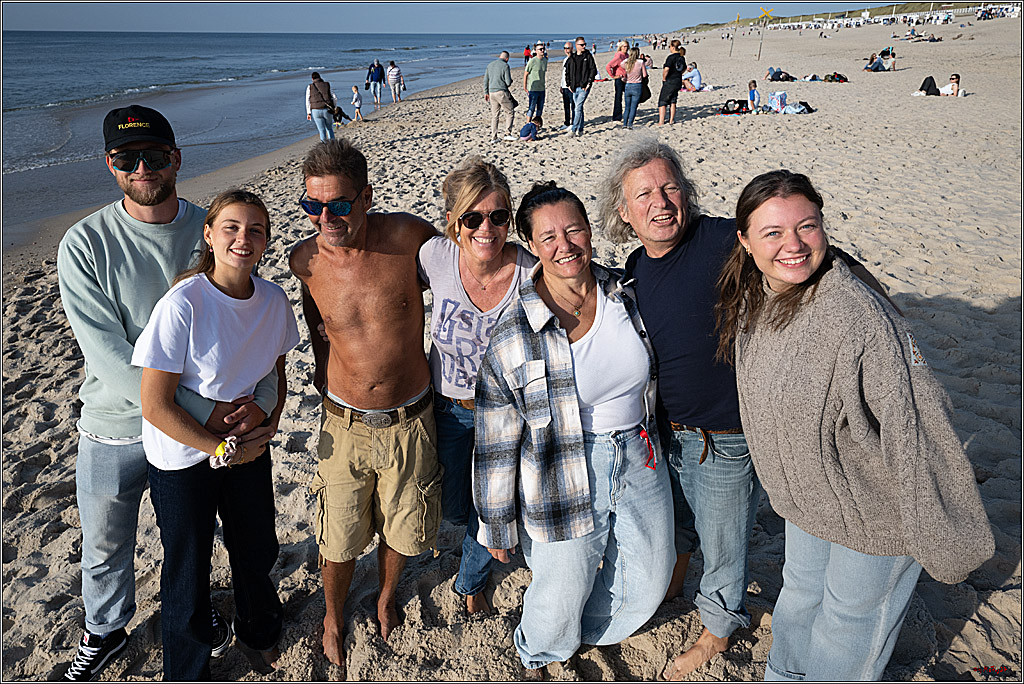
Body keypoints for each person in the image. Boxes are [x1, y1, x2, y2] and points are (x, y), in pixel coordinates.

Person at [716, 170, 995, 681]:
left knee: (847, 626)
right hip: (808, 502)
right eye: (773, 232)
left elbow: (919, 426)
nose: (794, 245)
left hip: (874, 511)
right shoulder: (755, 296)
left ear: (824, 225)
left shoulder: (857, 317)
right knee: (799, 598)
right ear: (745, 240)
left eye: (807, 226)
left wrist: (943, 530)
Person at [57, 105, 277, 681]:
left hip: (206, 433)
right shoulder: (85, 244)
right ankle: (105, 630)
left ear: (176, 159)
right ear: (110, 166)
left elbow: (249, 325)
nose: (142, 167)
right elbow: (105, 351)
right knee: (106, 542)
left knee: (211, 543)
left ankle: (226, 620)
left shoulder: (217, 228)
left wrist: (251, 415)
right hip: (119, 421)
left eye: (154, 156)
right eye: (127, 158)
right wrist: (193, 416)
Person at [475, 181, 673, 681]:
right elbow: (496, 440)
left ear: (589, 231)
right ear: (532, 247)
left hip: (638, 452)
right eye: (548, 237)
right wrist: (495, 524)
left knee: (649, 579)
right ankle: (537, 651)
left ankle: (583, 635)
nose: (565, 246)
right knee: (561, 589)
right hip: (561, 467)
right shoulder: (514, 334)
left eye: (574, 230)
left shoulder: (624, 294)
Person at [599, 140, 761, 680]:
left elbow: (791, 253)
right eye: (643, 194)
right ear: (624, 212)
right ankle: (675, 582)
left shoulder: (719, 239)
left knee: (724, 540)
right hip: (663, 431)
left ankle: (718, 629)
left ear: (686, 193)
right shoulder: (634, 269)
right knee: (680, 523)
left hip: (724, 432)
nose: (660, 202)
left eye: (670, 187)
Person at [288, 138, 442, 675]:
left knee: (403, 527)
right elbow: (316, 324)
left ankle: (385, 595)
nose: (325, 217)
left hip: (411, 418)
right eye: (313, 206)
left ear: (367, 197)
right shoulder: (303, 260)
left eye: (339, 205)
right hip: (344, 424)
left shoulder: (408, 236)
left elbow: (470, 266)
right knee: (339, 534)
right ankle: (332, 616)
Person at [133, 190, 298, 680]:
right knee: (188, 570)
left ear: (266, 241)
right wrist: (219, 445)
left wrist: (263, 422)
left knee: (256, 548)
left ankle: (260, 630)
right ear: (209, 234)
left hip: (245, 450)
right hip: (183, 459)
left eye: (255, 230)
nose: (242, 239)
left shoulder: (272, 299)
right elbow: (155, 403)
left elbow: (274, 374)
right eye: (231, 227)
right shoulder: (184, 302)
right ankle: (188, 669)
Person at [417, 157, 538, 616]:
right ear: (453, 221)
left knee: (491, 505)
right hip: (449, 408)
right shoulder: (435, 257)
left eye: (498, 216)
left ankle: (471, 581)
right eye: (472, 217)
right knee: (453, 508)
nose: (486, 228)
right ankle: (478, 539)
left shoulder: (530, 273)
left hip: (507, 415)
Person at [564, 36, 598, 138]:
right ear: (576, 45)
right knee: (579, 108)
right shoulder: (572, 57)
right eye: (581, 45)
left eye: (584, 44)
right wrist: (568, 84)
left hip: (584, 87)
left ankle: (573, 130)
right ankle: (581, 129)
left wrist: (588, 82)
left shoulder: (588, 56)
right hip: (574, 87)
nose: (584, 46)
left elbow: (593, 70)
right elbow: (567, 71)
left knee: (577, 108)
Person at [484, 51, 517, 143]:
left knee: (495, 115)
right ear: (507, 59)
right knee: (510, 112)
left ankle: (494, 137)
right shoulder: (505, 66)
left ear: (499, 56)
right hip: (501, 92)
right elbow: (508, 82)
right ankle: (507, 134)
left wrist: (486, 92)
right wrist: (511, 81)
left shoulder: (490, 65)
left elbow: (485, 80)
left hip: (491, 93)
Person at [658, 40, 686, 125]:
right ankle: (671, 120)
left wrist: (664, 78)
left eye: (670, 46)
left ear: (673, 47)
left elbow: (666, 69)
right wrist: (679, 73)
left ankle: (661, 121)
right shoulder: (681, 57)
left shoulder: (671, 57)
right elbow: (684, 68)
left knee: (663, 101)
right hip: (678, 80)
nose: (669, 48)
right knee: (673, 101)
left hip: (670, 81)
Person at [306, 72, 338, 142]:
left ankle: (324, 146)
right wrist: (334, 107)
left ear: (312, 78)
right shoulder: (327, 84)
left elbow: (307, 100)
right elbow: (335, 97)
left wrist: (309, 113)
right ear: (320, 77)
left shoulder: (310, 86)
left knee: (321, 130)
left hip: (315, 110)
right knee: (329, 128)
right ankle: (333, 145)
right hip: (327, 110)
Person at [621, 47, 647, 130]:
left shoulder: (626, 62)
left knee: (627, 107)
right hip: (637, 85)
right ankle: (630, 124)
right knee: (633, 107)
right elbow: (644, 75)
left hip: (628, 85)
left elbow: (621, 66)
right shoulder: (640, 62)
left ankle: (624, 124)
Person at [605, 40, 630, 122]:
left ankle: (627, 114)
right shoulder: (619, 56)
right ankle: (616, 117)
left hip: (626, 79)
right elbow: (608, 66)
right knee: (618, 97)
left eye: (627, 46)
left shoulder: (627, 55)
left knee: (628, 97)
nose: (626, 48)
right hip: (619, 79)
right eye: (624, 46)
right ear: (620, 47)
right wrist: (613, 76)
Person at [524, 42, 548, 120]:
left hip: (542, 89)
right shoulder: (532, 61)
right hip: (533, 89)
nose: (542, 50)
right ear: (536, 51)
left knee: (540, 109)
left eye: (543, 49)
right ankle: (528, 124)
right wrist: (525, 87)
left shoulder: (545, 60)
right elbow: (525, 74)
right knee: (531, 108)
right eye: (540, 49)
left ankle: (537, 125)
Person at [559, 41, 574, 130]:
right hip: (564, 86)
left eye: (568, 48)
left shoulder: (574, 59)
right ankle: (567, 122)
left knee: (573, 105)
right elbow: (563, 74)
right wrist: (561, 85)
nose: (566, 50)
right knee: (566, 105)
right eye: (565, 48)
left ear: (572, 48)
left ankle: (573, 123)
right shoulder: (565, 59)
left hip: (571, 86)